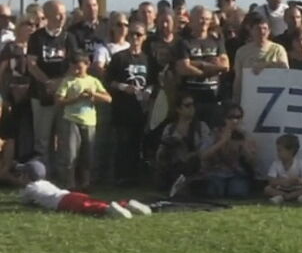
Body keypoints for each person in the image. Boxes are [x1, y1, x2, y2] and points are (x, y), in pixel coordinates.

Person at [27, 0, 79, 169]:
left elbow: (75, 64)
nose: (62, 17)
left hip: (64, 95)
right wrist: (48, 82)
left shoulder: (69, 37)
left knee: (65, 136)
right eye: (58, 14)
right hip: (41, 94)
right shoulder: (37, 38)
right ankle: (42, 173)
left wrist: (60, 83)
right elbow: (32, 65)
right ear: (47, 15)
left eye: (64, 14)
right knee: (42, 139)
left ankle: (64, 174)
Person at [15, 159, 150, 219]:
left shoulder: (30, 188)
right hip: (68, 194)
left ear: (27, 176)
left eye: (22, 174)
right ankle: (126, 204)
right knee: (90, 200)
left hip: (62, 202)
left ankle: (108, 209)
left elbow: (24, 200)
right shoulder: (45, 182)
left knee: (86, 207)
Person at [107, 22, 156, 186]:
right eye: (132, 34)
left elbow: (154, 81)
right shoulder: (119, 58)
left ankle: (136, 177)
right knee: (123, 145)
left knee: (138, 144)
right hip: (122, 108)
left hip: (141, 109)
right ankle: (121, 177)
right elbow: (108, 81)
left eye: (139, 35)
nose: (135, 38)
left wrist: (148, 91)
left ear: (145, 38)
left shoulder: (149, 59)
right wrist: (123, 87)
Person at [55, 51, 112, 190]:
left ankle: (86, 183)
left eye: (79, 67)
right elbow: (58, 100)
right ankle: (70, 183)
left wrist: (94, 94)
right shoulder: (68, 81)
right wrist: (76, 98)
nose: (76, 70)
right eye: (74, 67)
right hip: (71, 119)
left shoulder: (93, 81)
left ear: (87, 65)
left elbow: (108, 98)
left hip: (89, 121)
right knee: (71, 153)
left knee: (88, 154)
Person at [175, 5, 230, 126]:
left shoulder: (217, 41)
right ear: (191, 20)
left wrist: (195, 64)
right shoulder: (184, 42)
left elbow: (225, 65)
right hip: (192, 100)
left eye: (206, 19)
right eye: (200, 18)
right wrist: (208, 69)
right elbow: (183, 68)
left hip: (213, 99)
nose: (204, 22)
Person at [155, 92, 212, 193]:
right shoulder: (170, 128)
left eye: (193, 105)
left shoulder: (201, 127)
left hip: (195, 171)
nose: (192, 108)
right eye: (187, 105)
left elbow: (205, 150)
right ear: (178, 109)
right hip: (173, 171)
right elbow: (160, 154)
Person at [0, 16, 36, 173]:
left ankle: (28, 167)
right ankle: (7, 168)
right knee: (12, 132)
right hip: (13, 94)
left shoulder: (36, 47)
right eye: (27, 24)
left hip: (33, 94)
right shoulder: (11, 48)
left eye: (33, 25)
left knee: (30, 131)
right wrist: (3, 96)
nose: (30, 28)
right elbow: (2, 72)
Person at [198, 102, 256, 199]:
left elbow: (253, 161)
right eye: (231, 117)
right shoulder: (213, 133)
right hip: (216, 173)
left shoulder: (245, 135)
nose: (235, 121)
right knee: (214, 192)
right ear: (223, 118)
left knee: (237, 192)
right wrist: (222, 141)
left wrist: (244, 144)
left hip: (236, 174)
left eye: (238, 117)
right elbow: (203, 156)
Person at [232, 13, 289, 103]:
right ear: (251, 31)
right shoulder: (241, 52)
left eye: (265, 29)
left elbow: (285, 68)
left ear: (269, 31)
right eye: (258, 29)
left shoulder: (278, 49)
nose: (262, 32)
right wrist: (236, 98)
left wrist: (265, 65)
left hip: (274, 97)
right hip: (250, 96)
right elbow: (239, 78)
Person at [264, 133, 302, 204]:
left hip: (296, 188)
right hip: (281, 188)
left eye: (280, 150)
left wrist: (300, 181)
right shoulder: (276, 164)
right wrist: (285, 182)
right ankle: (289, 196)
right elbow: (271, 181)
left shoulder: (299, 163)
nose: (277, 153)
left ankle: (287, 196)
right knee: (267, 189)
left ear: (290, 151)